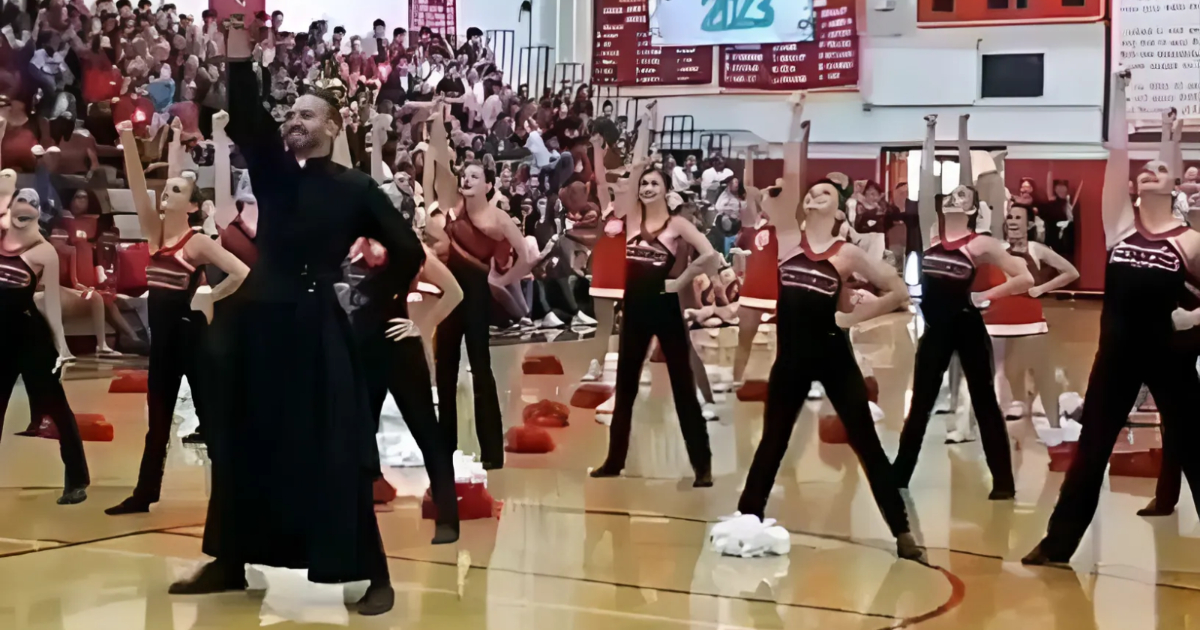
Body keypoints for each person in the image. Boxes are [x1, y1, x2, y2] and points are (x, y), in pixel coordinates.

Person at [171, 25, 426, 617]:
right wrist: (237, 57)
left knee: (337, 447)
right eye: (292, 113)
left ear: (334, 127)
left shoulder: (359, 189)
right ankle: (231, 562)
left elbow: (407, 252)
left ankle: (374, 575)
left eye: (308, 115)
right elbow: (249, 116)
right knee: (239, 440)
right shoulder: (275, 173)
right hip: (259, 323)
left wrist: (375, 299)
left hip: (315, 329)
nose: (295, 121)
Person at [1023, 80, 1200, 565]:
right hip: (1115, 359)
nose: (1149, 173)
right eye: (1146, 170)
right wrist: (1120, 100)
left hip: (1170, 360)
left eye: (1161, 171)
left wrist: (1194, 316)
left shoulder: (1189, 241)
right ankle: (1058, 545)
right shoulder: (1120, 225)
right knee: (1090, 452)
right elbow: (1118, 158)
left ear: (1176, 186)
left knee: (1195, 450)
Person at [733, 165, 923, 561]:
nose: (816, 196)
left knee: (867, 443)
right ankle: (745, 521)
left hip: (835, 355)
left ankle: (902, 531)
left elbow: (898, 289)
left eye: (826, 194)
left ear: (840, 212)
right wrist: (796, 118)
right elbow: (785, 177)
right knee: (772, 442)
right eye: (812, 192)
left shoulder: (848, 253)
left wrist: (856, 317)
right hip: (790, 360)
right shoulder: (787, 241)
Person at [104, 118, 249, 516]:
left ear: (190, 205)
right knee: (157, 425)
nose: (167, 192)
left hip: (195, 343)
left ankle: (237, 498)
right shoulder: (153, 235)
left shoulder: (197, 241)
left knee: (213, 423)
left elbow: (242, 273)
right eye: (167, 188)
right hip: (164, 347)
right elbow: (137, 184)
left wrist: (211, 295)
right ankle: (144, 494)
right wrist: (128, 140)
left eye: (177, 189)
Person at [891, 114, 1033, 500]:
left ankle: (1003, 482)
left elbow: (1023, 278)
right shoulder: (933, 233)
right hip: (935, 331)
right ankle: (900, 474)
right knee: (920, 403)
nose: (957, 196)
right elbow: (927, 181)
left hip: (968, 327)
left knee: (985, 403)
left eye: (964, 197)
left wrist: (986, 297)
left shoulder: (980, 243)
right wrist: (931, 134)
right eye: (953, 194)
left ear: (972, 211)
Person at [589, 103, 719, 487]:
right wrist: (644, 127)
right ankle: (614, 460)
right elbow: (626, 173)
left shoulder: (677, 223)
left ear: (666, 189)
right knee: (625, 388)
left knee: (681, 388)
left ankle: (702, 467)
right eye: (644, 184)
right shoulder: (630, 220)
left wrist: (681, 282)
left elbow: (711, 255)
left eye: (653, 184)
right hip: (634, 310)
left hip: (665, 309)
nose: (646, 188)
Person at [0, 177, 89, 506]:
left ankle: (77, 478)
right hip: (1, 339)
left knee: (57, 408)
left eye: (34, 203)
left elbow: (50, 303)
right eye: (22, 199)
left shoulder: (43, 252)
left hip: (31, 338)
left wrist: (62, 347)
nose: (27, 206)